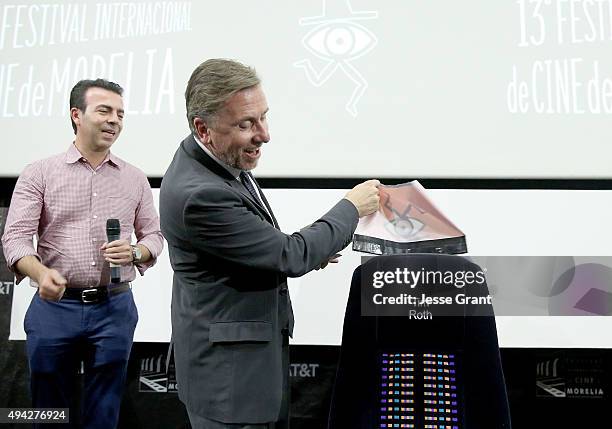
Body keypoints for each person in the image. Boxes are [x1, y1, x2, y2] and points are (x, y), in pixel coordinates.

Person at [159, 58, 380, 429]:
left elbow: (262, 248)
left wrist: (312, 247)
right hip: (230, 382)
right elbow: (288, 255)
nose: (264, 134)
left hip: (248, 367)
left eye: (264, 117)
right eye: (246, 124)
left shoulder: (215, 161)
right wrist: (351, 208)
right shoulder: (200, 194)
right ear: (203, 127)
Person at [1, 79, 164, 429]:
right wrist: (40, 273)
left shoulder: (134, 178)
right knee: (48, 409)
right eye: (104, 111)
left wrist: (136, 250)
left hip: (114, 307)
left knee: (104, 410)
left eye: (120, 114)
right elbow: (15, 238)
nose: (114, 120)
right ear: (77, 115)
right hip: (55, 308)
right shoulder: (39, 173)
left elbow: (154, 235)